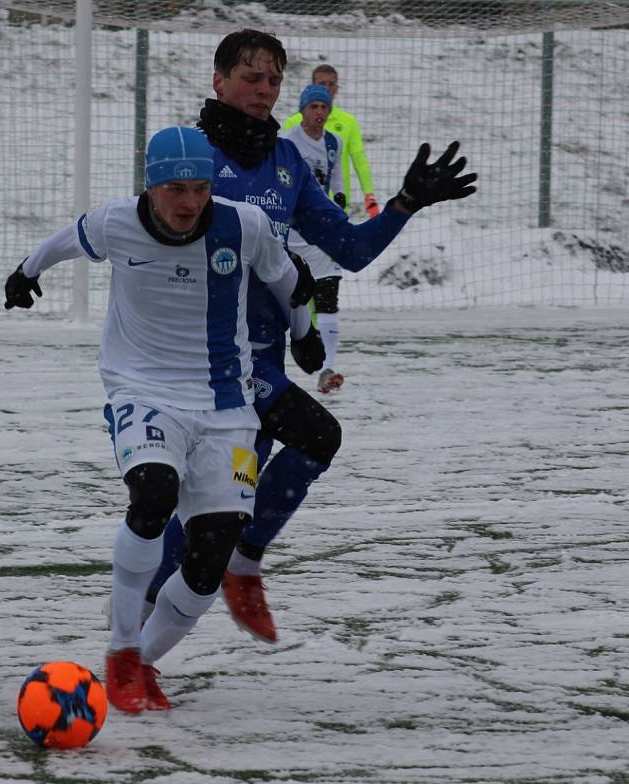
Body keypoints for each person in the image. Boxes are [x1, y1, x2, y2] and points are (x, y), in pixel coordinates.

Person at [144, 29, 477, 645]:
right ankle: (180, 608)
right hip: (207, 364)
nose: (265, 90)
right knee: (286, 457)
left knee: (220, 508)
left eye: (273, 80)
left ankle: (148, 637)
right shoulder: (187, 157)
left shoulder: (287, 162)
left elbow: (347, 250)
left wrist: (405, 203)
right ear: (219, 81)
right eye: (251, 77)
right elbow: (155, 252)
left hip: (262, 361)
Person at [3, 126, 322, 713]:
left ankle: (145, 663)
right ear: (150, 187)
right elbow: (64, 241)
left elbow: (285, 279)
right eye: (176, 189)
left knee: (211, 554)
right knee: (153, 495)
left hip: (226, 404)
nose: (189, 202)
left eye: (199, 188)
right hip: (142, 390)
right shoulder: (115, 222)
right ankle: (122, 651)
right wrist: (26, 273)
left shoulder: (243, 225)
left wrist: (305, 335)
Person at [281, 83, 347, 394]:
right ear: (302, 110)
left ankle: (327, 368)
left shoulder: (333, 142)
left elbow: (335, 178)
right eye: (314, 107)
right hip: (290, 233)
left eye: (324, 107)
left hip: (320, 231)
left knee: (328, 293)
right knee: (289, 301)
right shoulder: (287, 142)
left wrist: (340, 202)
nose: (319, 113)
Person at [282, 64, 380, 221]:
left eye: (331, 84)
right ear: (312, 85)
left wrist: (369, 194)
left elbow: (359, 159)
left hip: (336, 204)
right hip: (299, 205)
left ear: (337, 88)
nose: (327, 88)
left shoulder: (348, 122)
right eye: (322, 84)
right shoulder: (292, 124)